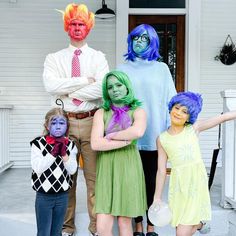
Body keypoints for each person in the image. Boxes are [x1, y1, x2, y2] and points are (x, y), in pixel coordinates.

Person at [42, 3, 109, 236]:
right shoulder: (54, 58)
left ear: (88, 28)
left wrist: (67, 90)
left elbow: (102, 90)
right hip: (64, 123)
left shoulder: (98, 58)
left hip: (92, 121)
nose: (77, 28)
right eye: (73, 24)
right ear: (67, 28)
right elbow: (50, 86)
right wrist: (85, 81)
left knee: (94, 179)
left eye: (81, 24)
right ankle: (66, 226)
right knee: (65, 178)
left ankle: (95, 226)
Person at [117, 23, 176, 236]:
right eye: (136, 38)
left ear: (152, 42)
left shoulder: (162, 69)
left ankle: (151, 225)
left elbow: (171, 99)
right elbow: (117, 100)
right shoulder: (122, 69)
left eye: (144, 38)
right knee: (133, 182)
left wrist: (173, 130)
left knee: (152, 181)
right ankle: (138, 225)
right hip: (129, 135)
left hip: (155, 135)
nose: (139, 41)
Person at [153, 91, 236, 236]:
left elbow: (223, 117)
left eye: (184, 111)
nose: (178, 113)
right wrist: (157, 197)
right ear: (171, 108)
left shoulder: (193, 129)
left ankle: (197, 223)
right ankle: (199, 224)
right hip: (178, 185)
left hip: (195, 181)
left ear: (189, 117)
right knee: (179, 222)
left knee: (181, 232)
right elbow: (161, 170)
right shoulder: (162, 139)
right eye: (177, 108)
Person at [90, 70, 147, 236]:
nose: (114, 89)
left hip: (129, 165)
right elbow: (95, 143)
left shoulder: (138, 111)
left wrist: (111, 136)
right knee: (102, 224)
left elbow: (137, 133)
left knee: (124, 221)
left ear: (127, 86)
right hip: (107, 166)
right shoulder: (101, 113)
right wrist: (124, 140)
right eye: (110, 87)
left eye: (119, 85)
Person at [30, 107, 78, 236]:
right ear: (47, 125)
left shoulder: (71, 145)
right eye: (53, 123)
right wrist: (53, 154)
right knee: (44, 232)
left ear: (67, 126)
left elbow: (72, 169)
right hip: (44, 196)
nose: (58, 127)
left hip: (62, 195)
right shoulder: (38, 144)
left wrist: (64, 155)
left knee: (57, 231)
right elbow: (38, 168)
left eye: (61, 123)